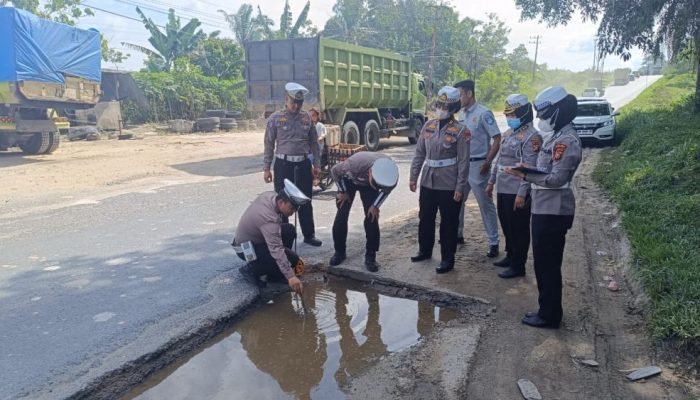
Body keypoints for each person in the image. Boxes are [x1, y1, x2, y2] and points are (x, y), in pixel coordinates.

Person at [505, 86, 582, 329]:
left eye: (544, 114)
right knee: (542, 263)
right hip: (544, 208)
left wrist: (525, 174)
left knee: (547, 265)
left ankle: (549, 315)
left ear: (558, 111)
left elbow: (556, 179)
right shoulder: (556, 137)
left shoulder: (566, 141)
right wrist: (526, 171)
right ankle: (546, 309)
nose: (540, 119)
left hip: (553, 210)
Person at [409, 86, 470, 274]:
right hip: (428, 180)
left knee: (448, 222)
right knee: (425, 217)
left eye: (445, 106)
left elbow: (463, 161)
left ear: (453, 108)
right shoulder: (428, 126)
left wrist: (460, 186)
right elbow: (419, 153)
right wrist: (413, 176)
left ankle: (447, 258)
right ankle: (425, 250)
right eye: (439, 105)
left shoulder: (461, 131)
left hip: (449, 182)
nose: (441, 108)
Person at [486, 94, 541, 279]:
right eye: (508, 114)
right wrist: (491, 181)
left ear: (524, 113)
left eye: (513, 114)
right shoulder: (508, 134)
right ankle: (510, 256)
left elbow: (530, 168)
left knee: (519, 229)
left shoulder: (532, 137)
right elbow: (499, 160)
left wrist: (521, 194)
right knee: (507, 225)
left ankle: (519, 265)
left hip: (517, 189)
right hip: (503, 187)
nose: (510, 117)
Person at [263, 82, 322, 247]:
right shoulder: (275, 119)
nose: (296, 106)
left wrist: (316, 165)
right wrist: (267, 168)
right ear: (286, 99)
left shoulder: (307, 118)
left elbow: (314, 143)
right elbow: (268, 144)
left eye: (300, 103)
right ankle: (284, 236)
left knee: (305, 200)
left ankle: (309, 235)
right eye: (293, 102)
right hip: (283, 165)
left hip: (302, 164)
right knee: (282, 201)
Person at [232, 179, 309, 294]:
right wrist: (290, 276)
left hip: (258, 238)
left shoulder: (271, 196)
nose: (293, 212)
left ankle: (275, 272)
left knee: (289, 230)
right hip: (246, 248)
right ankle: (251, 269)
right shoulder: (269, 219)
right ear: (281, 202)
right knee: (291, 259)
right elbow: (276, 249)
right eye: (291, 208)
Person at [328, 152, 399, 272]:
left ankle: (371, 255)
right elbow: (335, 171)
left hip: (368, 186)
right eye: (376, 184)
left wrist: (375, 205)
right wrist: (342, 191)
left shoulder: (391, 176)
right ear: (371, 172)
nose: (378, 188)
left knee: (372, 217)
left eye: (379, 186)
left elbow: (385, 191)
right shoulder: (352, 165)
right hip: (350, 179)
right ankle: (339, 252)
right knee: (341, 214)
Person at [454, 79, 501, 258]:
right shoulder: (462, 115)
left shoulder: (484, 114)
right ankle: (457, 235)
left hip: (478, 165)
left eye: (460, 95)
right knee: (457, 200)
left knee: (485, 204)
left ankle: (493, 241)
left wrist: (488, 162)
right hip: (463, 165)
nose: (459, 99)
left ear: (469, 94)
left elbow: (497, 139)